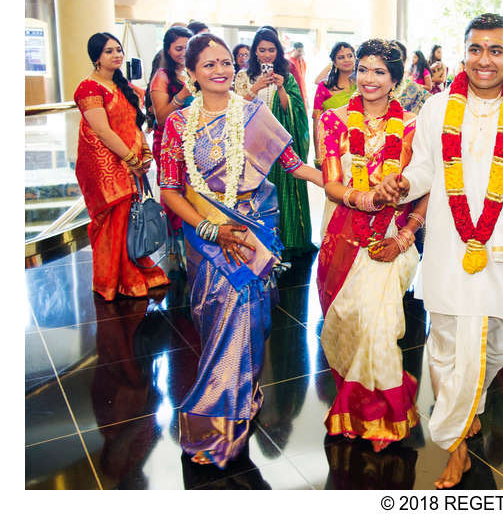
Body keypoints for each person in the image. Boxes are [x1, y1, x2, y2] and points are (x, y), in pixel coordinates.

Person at [377, 13, 503, 488]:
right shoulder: (437, 107)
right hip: (448, 244)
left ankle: (467, 410)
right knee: (445, 346)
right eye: (477, 49)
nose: (485, 60)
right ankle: (456, 445)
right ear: (463, 52)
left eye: (496, 50)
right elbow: (422, 170)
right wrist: (400, 185)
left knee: (493, 343)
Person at [159, 32, 324, 468]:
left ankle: (236, 404)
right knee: (216, 322)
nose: (220, 70)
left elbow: (295, 165)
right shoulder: (178, 124)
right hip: (206, 239)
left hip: (254, 236)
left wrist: (343, 187)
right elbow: (171, 191)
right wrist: (213, 231)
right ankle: (219, 418)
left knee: (254, 320)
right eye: (208, 64)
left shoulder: (254, 115)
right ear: (190, 73)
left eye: (226, 62)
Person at [315, 39, 429, 452]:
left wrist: (405, 235)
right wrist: (365, 197)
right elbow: (330, 184)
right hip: (344, 236)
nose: (367, 78)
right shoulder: (333, 120)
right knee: (349, 322)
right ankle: (360, 402)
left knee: (378, 326)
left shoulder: (415, 125)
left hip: (392, 240)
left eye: (379, 71)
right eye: (363, 69)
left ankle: (383, 413)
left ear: (396, 80)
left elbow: (426, 187)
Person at [74, 32, 169, 301]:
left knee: (131, 218)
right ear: (96, 57)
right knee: (113, 219)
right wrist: (131, 160)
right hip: (103, 164)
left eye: (118, 50)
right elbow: (102, 131)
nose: (116, 55)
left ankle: (134, 267)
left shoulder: (122, 85)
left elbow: (133, 125)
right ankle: (112, 279)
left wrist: (145, 152)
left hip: (129, 159)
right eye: (108, 51)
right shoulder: (89, 88)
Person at [234, 28, 314, 255]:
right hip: (251, 144)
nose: (267, 54)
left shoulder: (287, 76)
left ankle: (288, 238)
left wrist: (280, 87)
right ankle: (258, 240)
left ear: (278, 51)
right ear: (255, 52)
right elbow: (236, 109)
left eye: (271, 50)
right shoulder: (243, 76)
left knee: (283, 187)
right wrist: (256, 87)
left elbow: (295, 111)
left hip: (278, 143)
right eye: (262, 50)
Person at [145, 26, 194, 260]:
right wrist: (182, 95)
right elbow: (162, 116)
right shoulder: (162, 76)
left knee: (193, 190)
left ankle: (193, 242)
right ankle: (176, 251)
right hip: (169, 142)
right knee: (175, 189)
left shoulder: (193, 72)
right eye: (178, 48)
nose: (183, 52)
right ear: (168, 49)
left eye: (187, 47)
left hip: (193, 139)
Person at [393, 40, 430, 115]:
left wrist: (417, 85)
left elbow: (429, 87)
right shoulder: (411, 69)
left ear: (403, 62)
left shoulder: (424, 72)